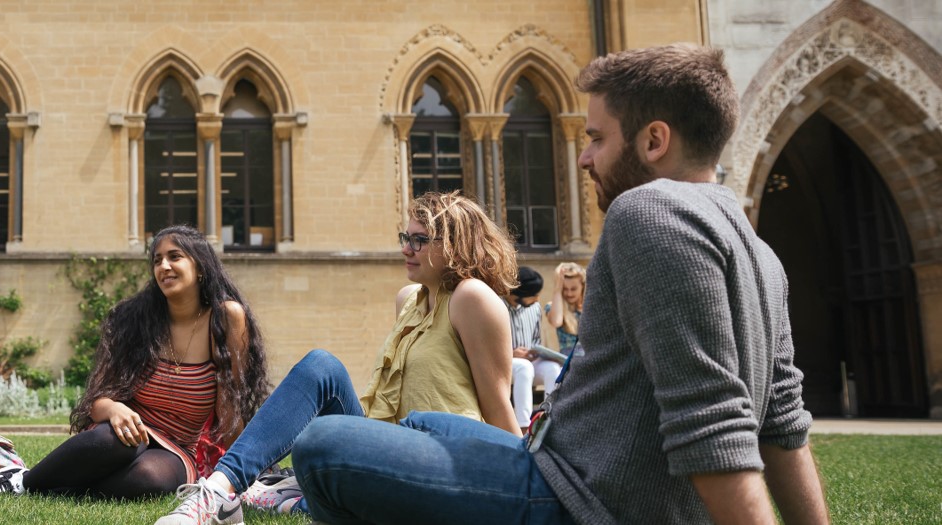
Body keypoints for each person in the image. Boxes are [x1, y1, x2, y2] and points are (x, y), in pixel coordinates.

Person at [287, 44, 828, 525]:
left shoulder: (649, 211)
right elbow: (783, 421)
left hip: (576, 499)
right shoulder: (761, 254)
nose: (585, 156)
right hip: (558, 461)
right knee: (428, 423)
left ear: (654, 140)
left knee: (323, 444)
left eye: (596, 138)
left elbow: (710, 421)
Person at [154, 191, 520, 524]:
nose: (407, 249)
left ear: (456, 244)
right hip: (387, 445)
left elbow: (497, 407)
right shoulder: (410, 298)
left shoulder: (472, 298)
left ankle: (290, 497)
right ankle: (221, 489)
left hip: (439, 464)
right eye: (406, 238)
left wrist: (528, 488)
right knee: (321, 366)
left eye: (419, 240)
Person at [0, 225, 271, 500]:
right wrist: (115, 409)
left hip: (178, 449)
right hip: (121, 432)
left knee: (149, 478)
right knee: (118, 441)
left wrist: (246, 472)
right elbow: (96, 401)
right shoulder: (133, 320)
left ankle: (58, 487)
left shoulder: (226, 318)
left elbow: (232, 404)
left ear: (200, 266)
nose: (164, 266)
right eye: (157, 260)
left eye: (175, 257)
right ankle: (23, 482)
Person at [506, 266, 552, 431]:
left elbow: (535, 340)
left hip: (530, 363)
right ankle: (524, 427)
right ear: (518, 294)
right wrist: (511, 354)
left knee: (552, 368)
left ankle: (549, 419)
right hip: (503, 365)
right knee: (523, 367)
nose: (538, 300)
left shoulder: (535, 308)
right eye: (534, 295)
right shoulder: (496, 306)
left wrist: (536, 352)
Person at [544, 262, 586, 355]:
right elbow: (556, 321)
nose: (569, 293)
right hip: (567, 359)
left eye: (573, 289)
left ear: (582, 287)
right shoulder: (552, 307)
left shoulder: (589, 307)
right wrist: (558, 289)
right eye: (565, 289)